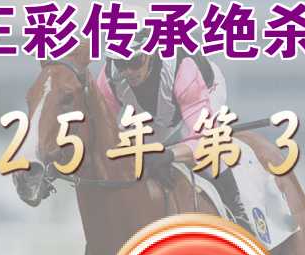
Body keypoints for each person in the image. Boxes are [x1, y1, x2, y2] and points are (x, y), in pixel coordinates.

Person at [97, 27, 252, 230]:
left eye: (134, 62)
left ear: (150, 53)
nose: (128, 72)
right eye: (121, 63)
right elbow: (105, 133)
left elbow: (203, 140)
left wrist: (170, 155)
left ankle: (238, 213)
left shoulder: (184, 70)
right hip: (156, 110)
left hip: (202, 91)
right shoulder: (109, 78)